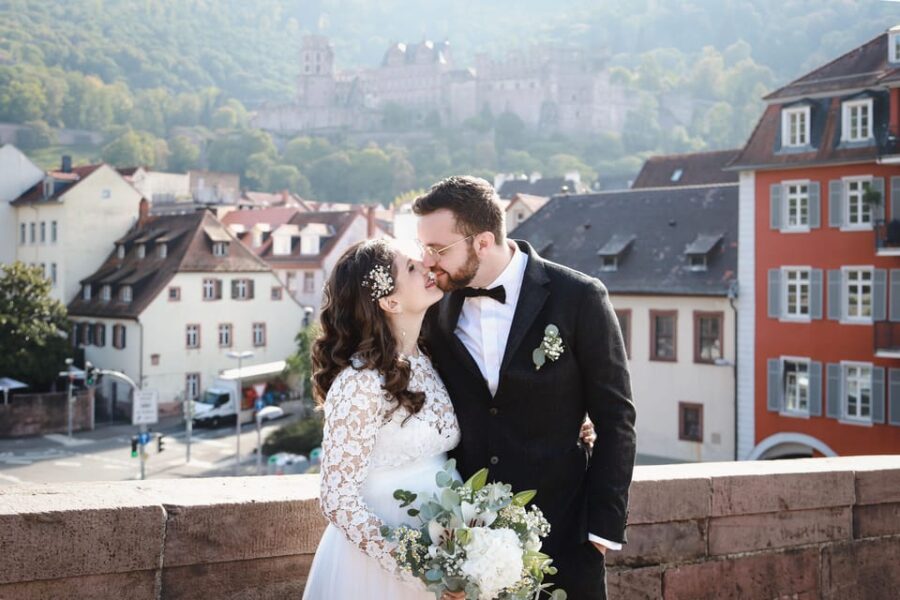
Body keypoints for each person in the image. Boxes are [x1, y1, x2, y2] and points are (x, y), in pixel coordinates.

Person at [414, 175, 637, 600]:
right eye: (423, 248)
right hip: (468, 545)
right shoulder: (435, 307)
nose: (428, 261)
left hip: (566, 532)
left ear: (482, 242)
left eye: (438, 249)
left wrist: (602, 528)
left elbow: (616, 417)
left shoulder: (580, 297)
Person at [302, 239, 464, 600]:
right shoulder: (359, 382)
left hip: (446, 542)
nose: (426, 265)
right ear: (390, 302)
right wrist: (415, 567)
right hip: (381, 564)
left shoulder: (428, 358)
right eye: (410, 267)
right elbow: (337, 499)